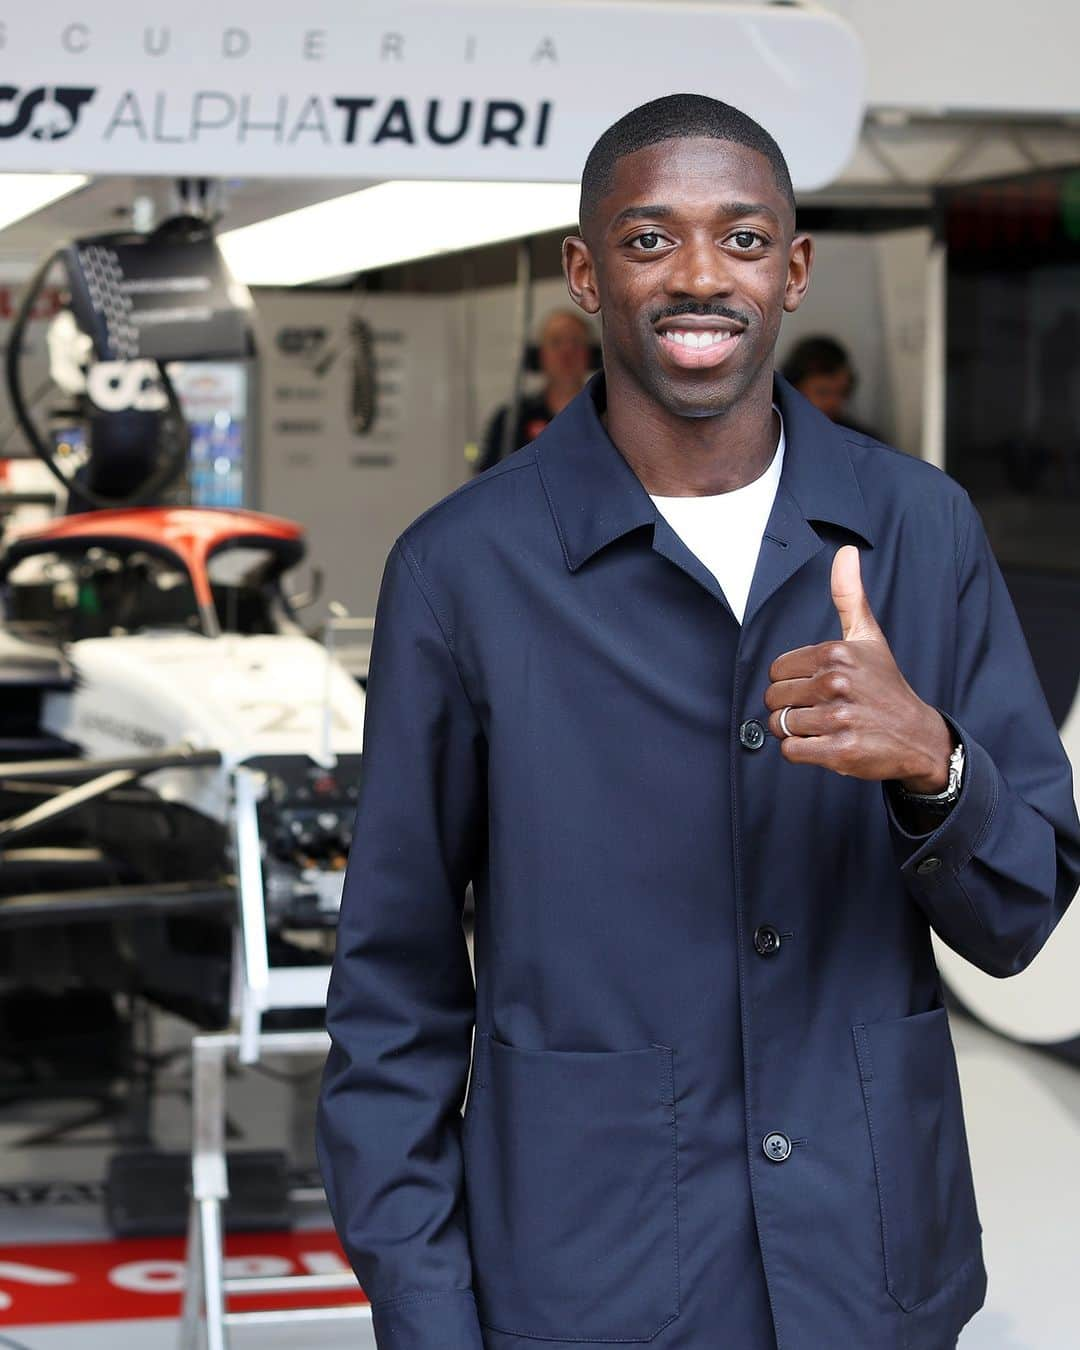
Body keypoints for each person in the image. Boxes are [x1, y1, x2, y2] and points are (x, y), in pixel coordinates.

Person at [317, 94, 1080, 1350]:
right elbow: (393, 986)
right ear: (583, 272)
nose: (697, 276)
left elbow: (1019, 920)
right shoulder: (465, 571)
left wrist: (934, 767)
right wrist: (424, 1308)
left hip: (866, 1256)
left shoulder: (919, 532)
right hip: (586, 1274)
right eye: (648, 238)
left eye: (739, 238)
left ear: (793, 272)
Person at [470, 309, 593, 473]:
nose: (567, 352)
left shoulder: (610, 415)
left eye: (575, 342)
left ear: (591, 354)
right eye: (556, 342)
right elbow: (488, 484)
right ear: (540, 354)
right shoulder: (512, 419)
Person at [781, 333, 881, 439]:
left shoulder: (861, 440)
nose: (833, 402)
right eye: (823, 392)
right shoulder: (777, 438)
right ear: (795, 389)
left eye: (842, 392)